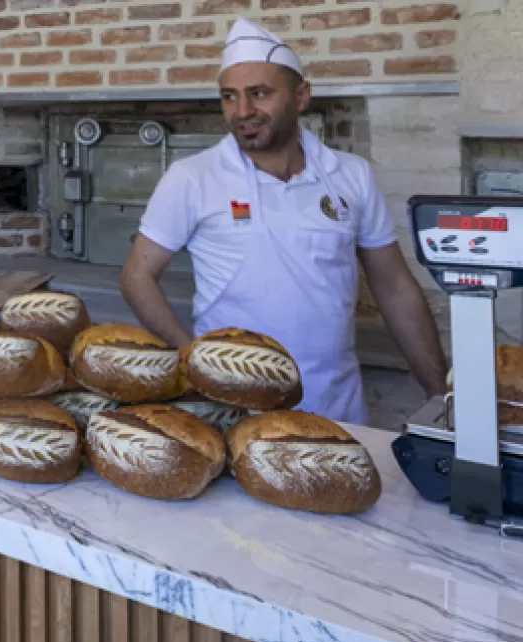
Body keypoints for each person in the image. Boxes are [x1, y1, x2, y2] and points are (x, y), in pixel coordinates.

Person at [119, 17, 447, 425]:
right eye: (229, 96)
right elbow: (137, 276)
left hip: (336, 407)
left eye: (259, 94)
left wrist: (440, 392)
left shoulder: (351, 174)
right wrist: (191, 362)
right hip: (232, 412)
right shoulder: (193, 177)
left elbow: (394, 286)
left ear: (301, 95)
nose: (242, 112)